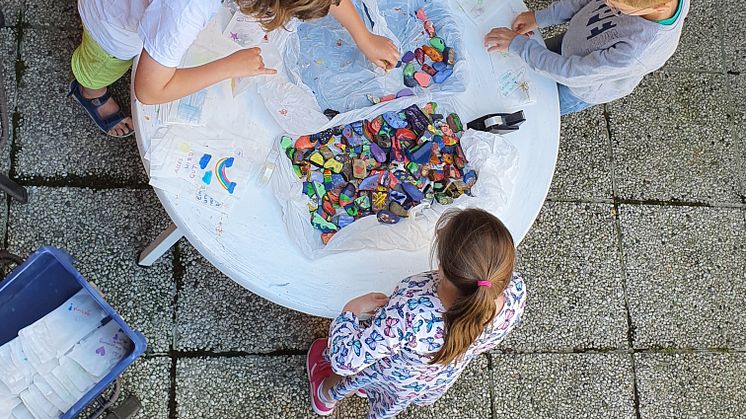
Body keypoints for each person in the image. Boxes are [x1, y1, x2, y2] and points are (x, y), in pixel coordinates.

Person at [306, 208, 527, 418]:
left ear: (441, 270)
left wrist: (350, 311)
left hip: (388, 370)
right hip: (429, 376)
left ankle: (324, 396)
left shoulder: (411, 311)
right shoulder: (516, 290)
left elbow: (345, 360)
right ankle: (368, 390)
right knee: (386, 394)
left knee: (354, 375)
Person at [69, 0, 400, 138]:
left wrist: (364, 36)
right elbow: (150, 90)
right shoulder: (187, 10)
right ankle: (88, 92)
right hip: (110, 22)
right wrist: (230, 65)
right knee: (102, 65)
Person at [483, 0, 688, 116]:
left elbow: (570, 73)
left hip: (576, 86)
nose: (607, 4)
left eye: (617, 8)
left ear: (660, 7)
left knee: (530, 112)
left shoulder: (637, 52)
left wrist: (520, 46)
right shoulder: (645, 3)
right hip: (576, 43)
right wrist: (541, 17)